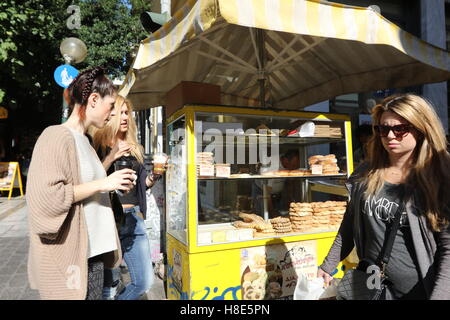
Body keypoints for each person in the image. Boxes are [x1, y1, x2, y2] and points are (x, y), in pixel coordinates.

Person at [317, 94, 450, 300]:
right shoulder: (366, 172)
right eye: (383, 129)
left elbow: (448, 249)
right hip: (368, 285)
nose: (390, 136)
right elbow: (350, 223)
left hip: (417, 291)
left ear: (422, 129)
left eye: (400, 129)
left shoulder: (438, 180)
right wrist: (328, 263)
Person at [26, 67, 135, 300]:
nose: (112, 113)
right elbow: (47, 198)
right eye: (111, 106)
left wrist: (113, 183)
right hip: (70, 259)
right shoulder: (55, 135)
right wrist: (102, 184)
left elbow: (87, 186)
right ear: (94, 99)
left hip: (92, 254)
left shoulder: (85, 141)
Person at [92, 95, 165, 300]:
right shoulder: (97, 145)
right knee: (108, 285)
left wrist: (156, 175)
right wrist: (112, 155)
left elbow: (143, 184)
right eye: (119, 112)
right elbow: (92, 179)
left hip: (134, 218)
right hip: (109, 220)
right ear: (110, 115)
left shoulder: (135, 148)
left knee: (143, 282)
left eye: (127, 112)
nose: (124, 117)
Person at [253, 149, 301, 218]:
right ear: (285, 161)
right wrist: (272, 213)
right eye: (293, 165)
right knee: (262, 217)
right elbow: (267, 194)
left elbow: (290, 182)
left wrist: (291, 201)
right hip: (261, 191)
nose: (294, 168)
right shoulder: (272, 166)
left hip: (277, 193)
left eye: (296, 166)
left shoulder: (288, 163)